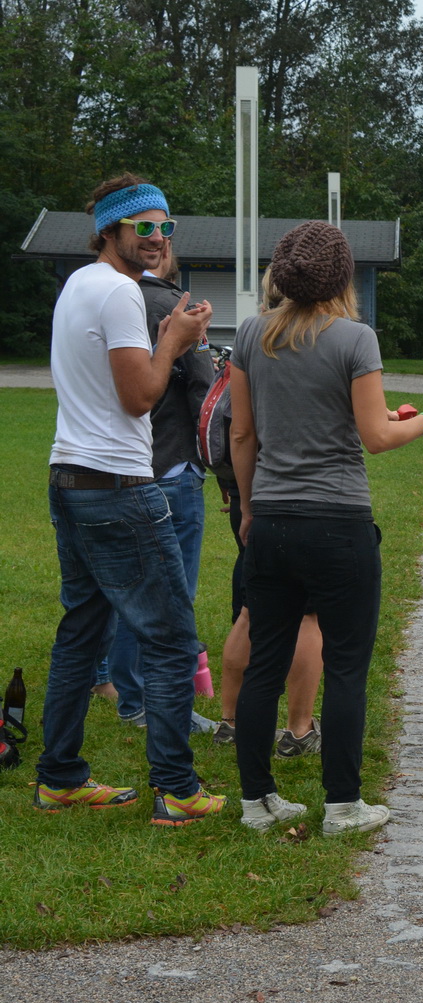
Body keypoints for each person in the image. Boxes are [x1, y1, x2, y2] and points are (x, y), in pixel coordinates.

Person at [227, 221, 423, 835]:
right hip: (338, 524)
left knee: (264, 665)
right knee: (347, 666)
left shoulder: (252, 334)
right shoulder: (355, 338)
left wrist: (250, 510)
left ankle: (255, 802)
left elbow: (243, 433)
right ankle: (342, 805)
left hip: (273, 520)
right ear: (343, 278)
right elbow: (377, 437)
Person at [32, 174, 225, 826]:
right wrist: (174, 340)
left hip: (69, 476)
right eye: (144, 226)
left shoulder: (78, 284)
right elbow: (139, 396)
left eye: (166, 227)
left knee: (81, 632)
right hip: (117, 485)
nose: (158, 238)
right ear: (111, 229)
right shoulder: (118, 292)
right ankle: (176, 788)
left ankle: (59, 777)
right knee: (171, 642)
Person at [102, 235, 220, 737]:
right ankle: (149, 700)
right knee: (170, 596)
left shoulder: (102, 296)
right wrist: (215, 460)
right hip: (172, 463)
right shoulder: (176, 307)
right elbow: (202, 390)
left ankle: (116, 683)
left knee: (125, 586)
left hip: (115, 465)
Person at [212, 271, 326, 761]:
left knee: (251, 607)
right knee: (307, 615)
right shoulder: (317, 343)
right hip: (302, 496)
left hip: (250, 496)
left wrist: (242, 499)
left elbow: (233, 430)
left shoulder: (247, 341)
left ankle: (230, 721)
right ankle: (298, 730)